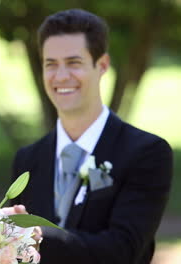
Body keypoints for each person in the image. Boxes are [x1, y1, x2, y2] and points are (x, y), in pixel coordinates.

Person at [11, 9, 173, 264]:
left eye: (73, 62)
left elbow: (123, 250)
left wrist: (34, 235)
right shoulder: (28, 159)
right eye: (50, 63)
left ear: (102, 65)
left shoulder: (147, 152)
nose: (61, 76)